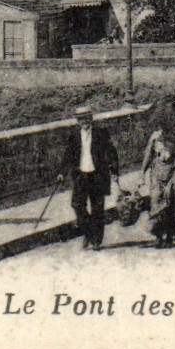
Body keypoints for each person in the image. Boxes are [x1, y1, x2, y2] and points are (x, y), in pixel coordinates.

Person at [64, 105, 120, 250]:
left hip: (97, 175)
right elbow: (68, 155)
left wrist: (114, 171)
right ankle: (88, 232)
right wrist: (61, 173)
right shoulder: (74, 134)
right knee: (77, 204)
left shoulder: (101, 133)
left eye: (86, 117)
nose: (84, 121)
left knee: (97, 209)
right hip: (80, 175)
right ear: (77, 120)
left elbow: (111, 152)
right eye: (81, 118)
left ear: (91, 118)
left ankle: (96, 240)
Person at [139, 127, 175, 248]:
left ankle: (170, 236)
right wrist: (142, 174)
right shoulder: (155, 136)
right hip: (156, 174)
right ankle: (159, 237)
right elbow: (148, 155)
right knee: (156, 204)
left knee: (171, 205)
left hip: (172, 172)